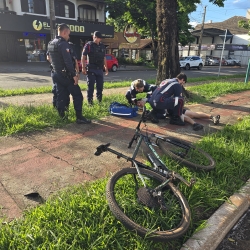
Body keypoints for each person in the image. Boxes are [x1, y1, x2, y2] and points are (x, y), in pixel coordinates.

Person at [47, 23, 91, 124]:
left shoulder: (51, 43)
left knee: (61, 95)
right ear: (64, 32)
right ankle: (79, 117)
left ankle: (62, 117)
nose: (68, 36)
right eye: (68, 34)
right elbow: (67, 61)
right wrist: (74, 75)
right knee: (77, 95)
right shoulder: (63, 44)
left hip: (55, 74)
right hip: (65, 75)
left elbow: (49, 58)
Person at [81, 31, 108, 105]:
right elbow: (83, 57)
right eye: (96, 38)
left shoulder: (102, 46)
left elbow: (104, 57)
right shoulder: (88, 45)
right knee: (91, 87)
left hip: (99, 69)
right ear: (93, 37)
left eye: (99, 38)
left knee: (100, 86)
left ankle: (99, 102)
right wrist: (83, 67)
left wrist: (106, 68)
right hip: (91, 69)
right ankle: (90, 103)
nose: (97, 39)